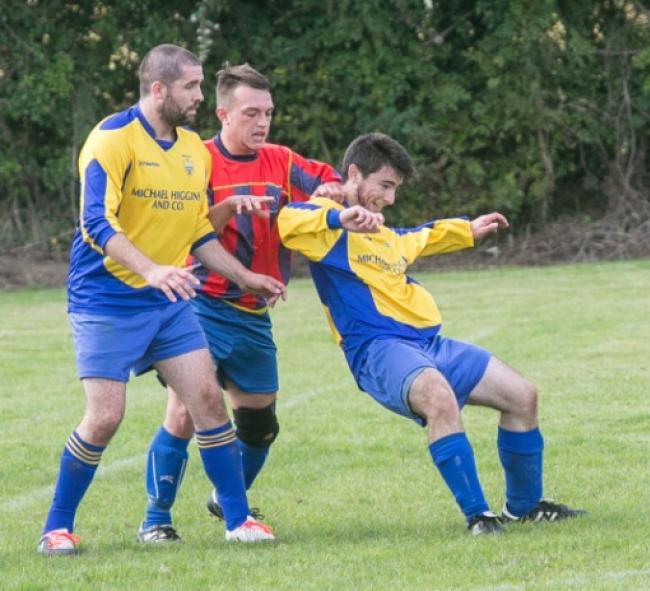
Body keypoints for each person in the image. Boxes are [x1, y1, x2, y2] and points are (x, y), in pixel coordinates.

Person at [38, 45, 284, 556]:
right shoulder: (110, 140)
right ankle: (56, 527)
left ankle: (238, 521)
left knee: (209, 401)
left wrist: (245, 276)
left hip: (169, 300)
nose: (200, 96)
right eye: (191, 87)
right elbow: (95, 222)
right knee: (105, 416)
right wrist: (150, 269)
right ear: (158, 89)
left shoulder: (193, 149)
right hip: (106, 299)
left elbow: (197, 233)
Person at [277, 133, 585, 535]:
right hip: (378, 350)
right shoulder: (326, 225)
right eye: (384, 186)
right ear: (354, 173)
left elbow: (418, 236)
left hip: (428, 346)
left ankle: (524, 507)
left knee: (522, 396)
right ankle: (479, 516)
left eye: (394, 189)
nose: (389, 199)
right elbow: (288, 221)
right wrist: (337, 216)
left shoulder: (385, 235)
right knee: (438, 397)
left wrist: (467, 230)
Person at [136, 63, 343, 543]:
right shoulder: (196, 160)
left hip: (252, 313)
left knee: (259, 425)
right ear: (223, 113)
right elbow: (186, 227)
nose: (263, 122)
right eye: (252, 113)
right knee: (187, 410)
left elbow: (329, 182)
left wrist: (334, 189)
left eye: (268, 113)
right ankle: (156, 519)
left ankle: (225, 496)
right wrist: (227, 208)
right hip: (198, 305)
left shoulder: (281, 160)